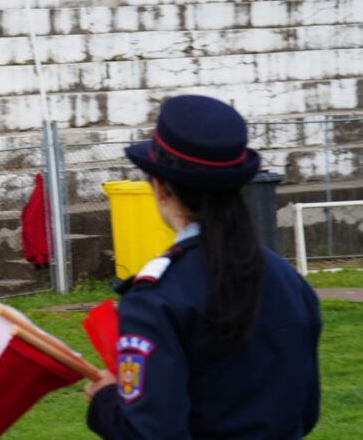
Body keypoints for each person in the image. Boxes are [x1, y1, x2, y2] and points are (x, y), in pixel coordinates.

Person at [84, 95, 322, 439]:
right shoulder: (288, 279)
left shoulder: (157, 297)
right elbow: (306, 410)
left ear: (161, 188)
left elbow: (152, 432)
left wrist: (106, 402)